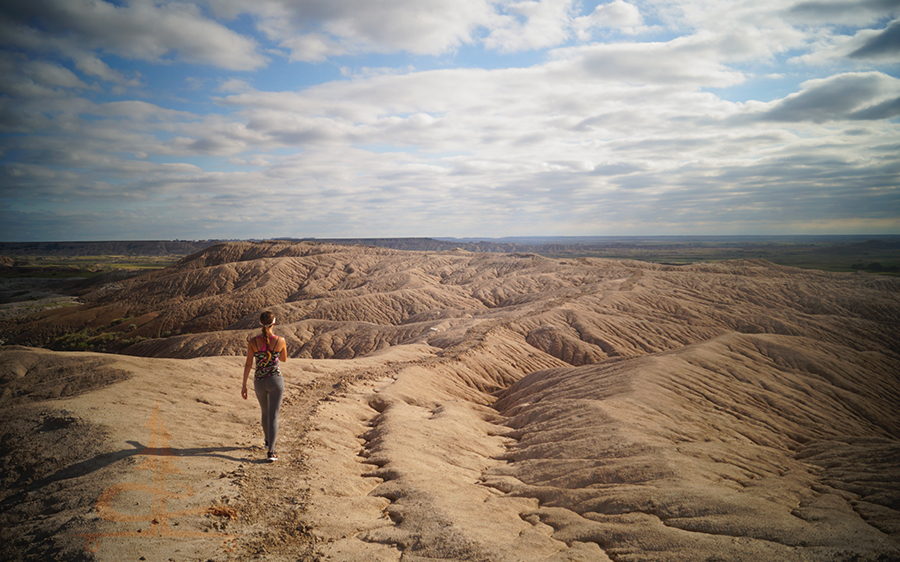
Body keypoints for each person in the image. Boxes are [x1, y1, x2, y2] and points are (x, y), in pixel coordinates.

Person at [242, 311, 287, 462]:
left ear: (261, 324)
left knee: (265, 412)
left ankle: (267, 440)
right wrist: (272, 352)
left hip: (259, 381)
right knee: (273, 415)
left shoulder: (253, 342)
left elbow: (248, 364)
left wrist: (244, 385)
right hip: (275, 380)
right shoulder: (280, 340)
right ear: (274, 323)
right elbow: (284, 358)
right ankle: (271, 452)